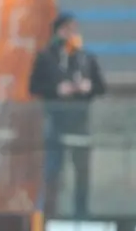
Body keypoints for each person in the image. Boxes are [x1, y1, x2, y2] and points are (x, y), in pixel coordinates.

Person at [29, 12, 106, 218]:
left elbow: (101, 86)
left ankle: (81, 210)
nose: (71, 34)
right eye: (67, 29)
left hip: (80, 121)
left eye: (74, 29)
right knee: (53, 170)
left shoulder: (85, 57)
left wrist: (87, 87)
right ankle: (50, 212)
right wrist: (57, 90)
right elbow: (34, 86)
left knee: (82, 169)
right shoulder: (46, 58)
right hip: (56, 120)